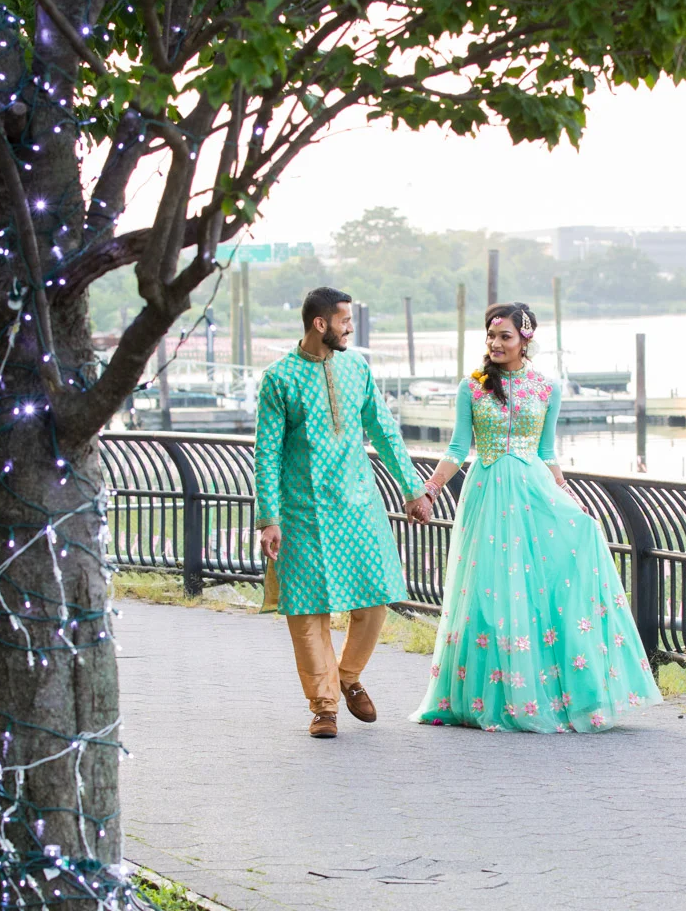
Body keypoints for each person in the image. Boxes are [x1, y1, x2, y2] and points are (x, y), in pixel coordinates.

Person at [410, 302, 661, 732]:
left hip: (535, 494)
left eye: (505, 337)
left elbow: (547, 452)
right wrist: (430, 490)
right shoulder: (472, 387)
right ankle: (488, 695)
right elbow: (457, 448)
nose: (495, 343)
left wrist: (570, 498)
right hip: (488, 495)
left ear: (525, 340)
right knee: (489, 593)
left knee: (540, 587)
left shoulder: (547, 388)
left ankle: (553, 691)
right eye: (491, 336)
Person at [254, 287, 433, 739]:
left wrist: (413, 489)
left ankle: (347, 676)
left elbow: (384, 431)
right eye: (345, 321)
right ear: (321, 324)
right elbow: (267, 452)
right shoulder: (279, 379)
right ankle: (324, 706)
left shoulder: (357, 369)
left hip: (359, 506)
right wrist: (269, 517)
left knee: (375, 598)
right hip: (302, 511)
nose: (351, 328)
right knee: (306, 611)